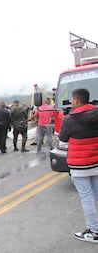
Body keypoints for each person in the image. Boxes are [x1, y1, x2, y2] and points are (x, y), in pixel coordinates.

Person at [59, 88, 98, 243]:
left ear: (75, 100)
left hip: (80, 164)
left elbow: (63, 139)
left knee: (86, 197)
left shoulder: (69, 119)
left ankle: (94, 231)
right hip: (96, 161)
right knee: (96, 193)